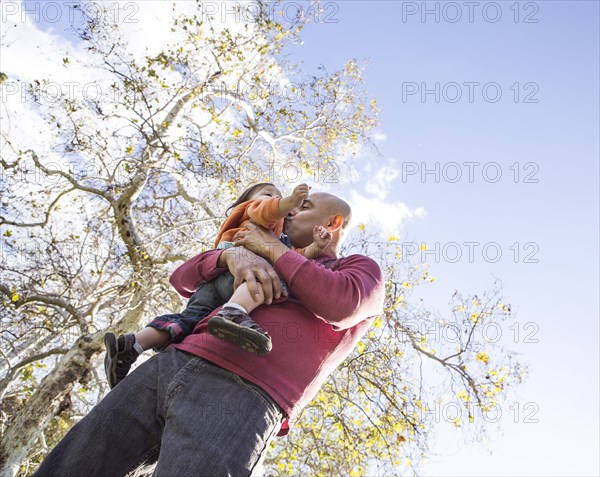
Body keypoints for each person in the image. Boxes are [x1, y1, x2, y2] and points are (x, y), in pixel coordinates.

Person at [33, 191, 385, 477]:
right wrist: (229, 257)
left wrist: (273, 250)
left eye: (304, 206)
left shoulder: (358, 268)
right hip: (169, 364)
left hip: (245, 395)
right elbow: (183, 279)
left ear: (333, 223)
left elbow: (342, 303)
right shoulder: (251, 251)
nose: (290, 213)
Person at [104, 182, 333, 388]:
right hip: (239, 272)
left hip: (213, 281)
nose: (273, 198)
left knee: (188, 319)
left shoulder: (276, 236)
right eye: (268, 193)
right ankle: (235, 312)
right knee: (269, 277)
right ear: (247, 202)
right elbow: (267, 212)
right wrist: (289, 201)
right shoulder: (255, 212)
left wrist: (315, 248)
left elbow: (294, 256)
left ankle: (132, 345)